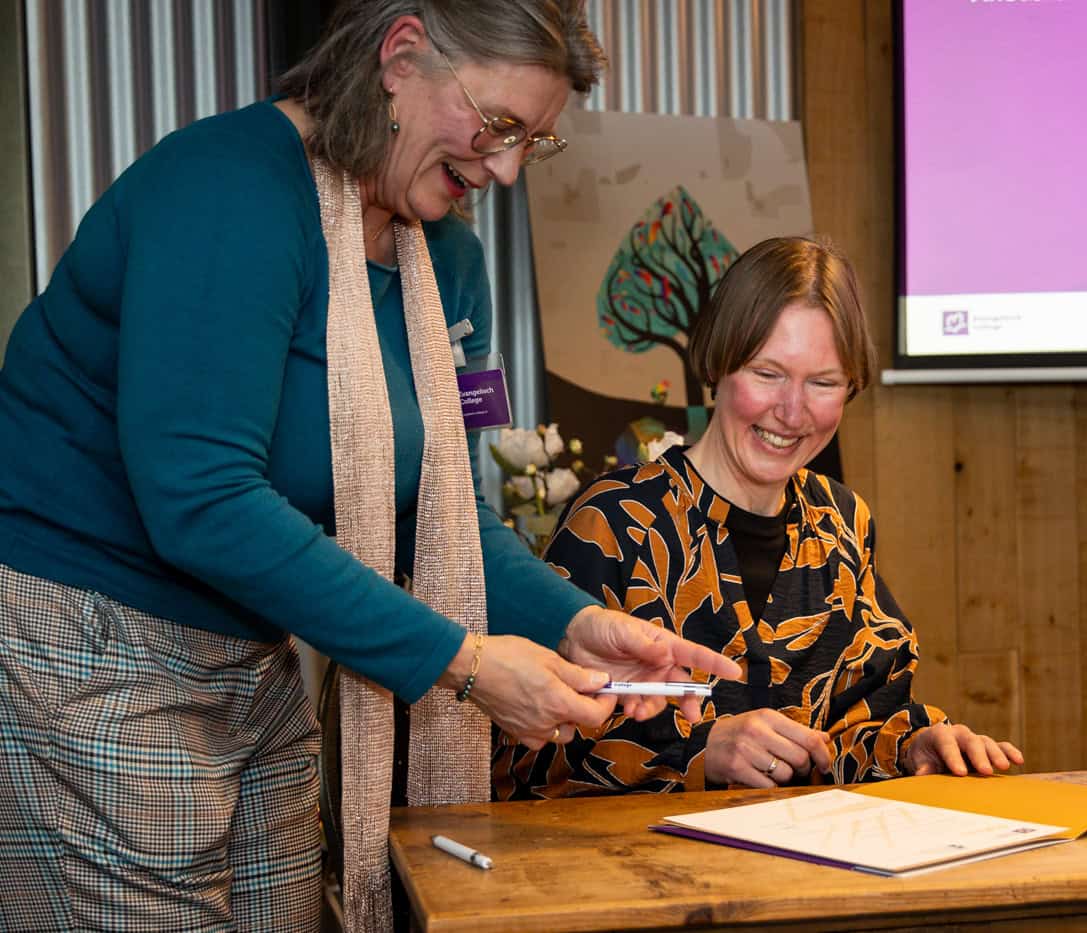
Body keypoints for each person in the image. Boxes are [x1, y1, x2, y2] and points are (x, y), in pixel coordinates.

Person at [0, 2, 736, 931]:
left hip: (253, 656)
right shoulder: (230, 188)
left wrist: (575, 622)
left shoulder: (447, 261)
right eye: (499, 124)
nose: (506, 168)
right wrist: (464, 663)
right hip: (95, 644)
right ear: (401, 55)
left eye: (533, 142)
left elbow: (439, 517)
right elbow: (202, 500)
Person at [494, 236, 1023, 800]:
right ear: (718, 365)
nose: (792, 412)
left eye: (822, 383)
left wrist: (912, 747)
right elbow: (525, 757)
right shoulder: (616, 520)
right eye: (768, 373)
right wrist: (700, 753)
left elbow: (855, 727)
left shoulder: (842, 522)